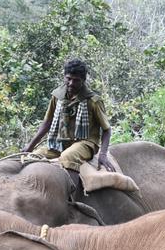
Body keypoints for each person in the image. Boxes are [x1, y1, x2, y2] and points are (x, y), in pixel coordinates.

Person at [21, 58, 137, 193]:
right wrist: (30, 146)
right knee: (34, 157)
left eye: (76, 80)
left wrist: (103, 154)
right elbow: (47, 122)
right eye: (68, 79)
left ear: (83, 80)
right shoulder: (57, 96)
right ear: (64, 77)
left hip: (85, 143)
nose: (71, 83)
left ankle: (71, 194)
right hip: (60, 142)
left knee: (67, 157)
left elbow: (106, 129)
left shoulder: (93, 101)